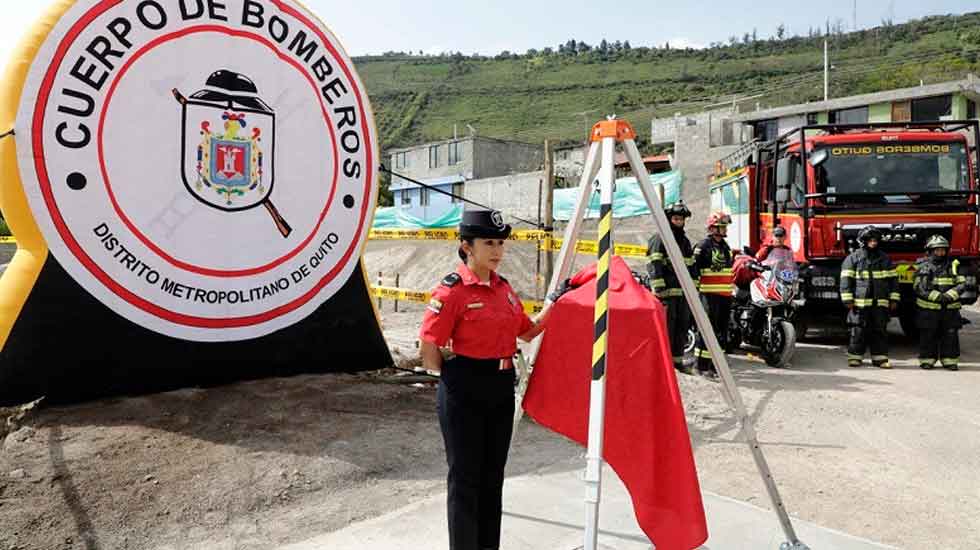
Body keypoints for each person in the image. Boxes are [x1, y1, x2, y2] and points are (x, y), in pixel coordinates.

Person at [418, 207, 552, 550]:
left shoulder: (504, 290)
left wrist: (558, 304)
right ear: (467, 247)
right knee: (465, 480)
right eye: (488, 243)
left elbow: (527, 331)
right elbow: (430, 346)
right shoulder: (452, 291)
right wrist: (450, 376)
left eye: (500, 243)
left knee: (493, 478)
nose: (496, 251)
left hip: (500, 388)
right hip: (463, 389)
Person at [647, 200, 700, 373]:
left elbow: (691, 266)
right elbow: (654, 263)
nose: (679, 222)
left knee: (682, 328)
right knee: (666, 329)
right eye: (676, 219)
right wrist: (659, 289)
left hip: (683, 295)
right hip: (667, 295)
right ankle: (663, 364)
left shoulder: (684, 241)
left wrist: (694, 288)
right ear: (669, 219)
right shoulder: (660, 239)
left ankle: (676, 361)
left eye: (681, 219)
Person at [839, 226, 900, 368]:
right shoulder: (853, 259)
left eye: (875, 240)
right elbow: (846, 280)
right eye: (870, 241)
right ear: (863, 241)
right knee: (858, 330)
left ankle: (880, 358)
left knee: (880, 330)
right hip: (859, 304)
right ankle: (855, 357)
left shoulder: (884, 259)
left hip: (880, 303)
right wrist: (847, 299)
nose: (873, 243)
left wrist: (894, 298)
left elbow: (893, 281)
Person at [914, 235, 965, 371]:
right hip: (929, 309)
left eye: (943, 250)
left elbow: (961, 283)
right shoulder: (923, 266)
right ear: (930, 251)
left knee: (950, 335)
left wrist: (949, 296)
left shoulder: (954, 265)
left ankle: (950, 361)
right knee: (928, 335)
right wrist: (937, 297)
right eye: (937, 250)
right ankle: (927, 360)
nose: (940, 253)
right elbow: (920, 287)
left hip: (950, 308)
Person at [692, 212, 734, 378]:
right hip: (708, 295)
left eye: (724, 227)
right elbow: (694, 271)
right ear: (712, 228)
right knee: (707, 330)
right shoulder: (703, 246)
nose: (724, 230)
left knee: (721, 331)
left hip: (724, 295)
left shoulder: (725, 247)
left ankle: (717, 366)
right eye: (721, 226)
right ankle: (701, 366)